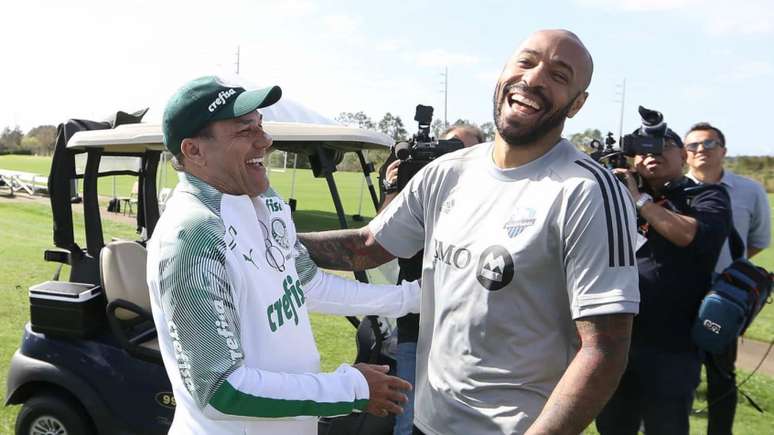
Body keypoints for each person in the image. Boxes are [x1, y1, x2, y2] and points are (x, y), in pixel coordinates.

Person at [299, 29, 640, 435]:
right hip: (429, 422)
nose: (533, 79)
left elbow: (605, 347)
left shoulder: (588, 191)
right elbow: (368, 246)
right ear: (502, 74)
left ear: (577, 104)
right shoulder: (448, 172)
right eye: (526, 62)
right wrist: (268, 235)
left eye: (559, 75)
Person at [146, 76, 421, 435]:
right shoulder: (192, 235)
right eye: (245, 131)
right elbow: (220, 392)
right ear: (194, 151)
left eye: (261, 125)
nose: (266, 140)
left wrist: (413, 298)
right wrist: (351, 389)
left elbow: (307, 284)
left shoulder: (261, 200)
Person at [596, 119, 733, 435]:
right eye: (643, 151)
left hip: (674, 345)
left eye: (663, 147)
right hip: (618, 336)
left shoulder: (708, 196)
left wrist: (640, 201)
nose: (651, 155)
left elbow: (687, 234)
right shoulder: (620, 195)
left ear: (684, 157)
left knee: (666, 426)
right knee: (613, 424)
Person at [378, 124, 484, 435]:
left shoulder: (487, 196)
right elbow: (381, 239)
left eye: (464, 151)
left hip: (468, 334)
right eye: (449, 147)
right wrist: (392, 188)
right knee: (407, 418)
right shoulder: (420, 187)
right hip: (416, 327)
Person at [684, 122, 771, 435]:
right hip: (678, 293)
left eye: (708, 145)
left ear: (723, 150)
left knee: (722, 373)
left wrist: (730, 270)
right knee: (678, 370)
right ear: (684, 153)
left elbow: (759, 239)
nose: (700, 151)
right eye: (693, 146)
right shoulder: (672, 187)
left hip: (725, 298)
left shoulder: (750, 190)